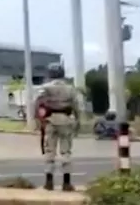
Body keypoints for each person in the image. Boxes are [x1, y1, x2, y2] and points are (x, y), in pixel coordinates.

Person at [39, 62, 81, 192]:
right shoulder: (70, 89)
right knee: (66, 152)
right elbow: (76, 106)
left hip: (50, 120)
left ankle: (49, 182)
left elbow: (37, 102)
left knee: (49, 151)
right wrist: (78, 119)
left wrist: (39, 119)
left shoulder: (45, 88)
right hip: (65, 120)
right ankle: (66, 183)